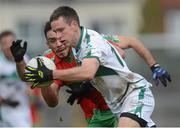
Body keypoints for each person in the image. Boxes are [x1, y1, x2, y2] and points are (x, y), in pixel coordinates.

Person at [25, 6, 171, 127]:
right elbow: (117, 53)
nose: (59, 37)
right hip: (116, 105)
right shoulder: (75, 47)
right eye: (55, 33)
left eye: (61, 30)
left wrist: (51, 74)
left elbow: (88, 72)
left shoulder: (92, 42)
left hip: (134, 94)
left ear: (74, 25)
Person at [0, 30, 32, 127]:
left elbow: (32, 83)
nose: (8, 46)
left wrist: (32, 90)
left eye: (11, 41)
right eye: (4, 43)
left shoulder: (24, 58)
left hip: (22, 110)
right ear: (1, 46)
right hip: (4, 111)